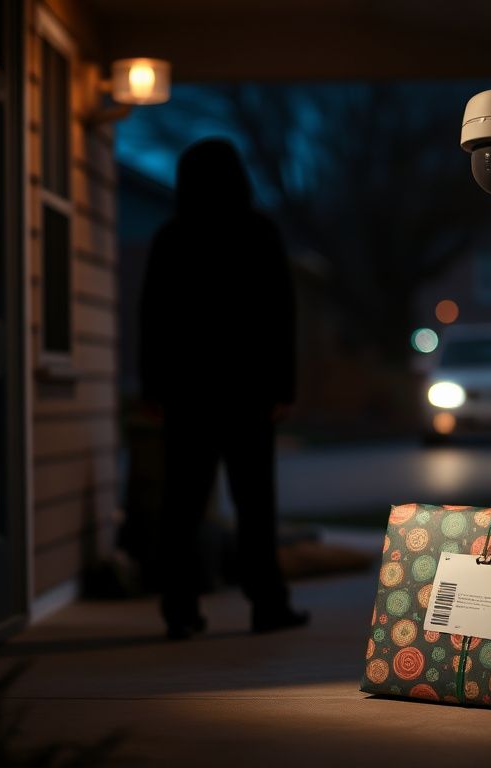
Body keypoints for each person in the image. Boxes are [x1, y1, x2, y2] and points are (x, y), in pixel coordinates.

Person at [138, 138, 309, 639]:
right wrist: (283, 387)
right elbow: (281, 314)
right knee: (255, 502)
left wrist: (153, 388)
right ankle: (267, 602)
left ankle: (179, 608)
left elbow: (152, 319)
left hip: (187, 392)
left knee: (182, 503)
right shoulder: (259, 233)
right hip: (249, 390)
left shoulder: (172, 238)